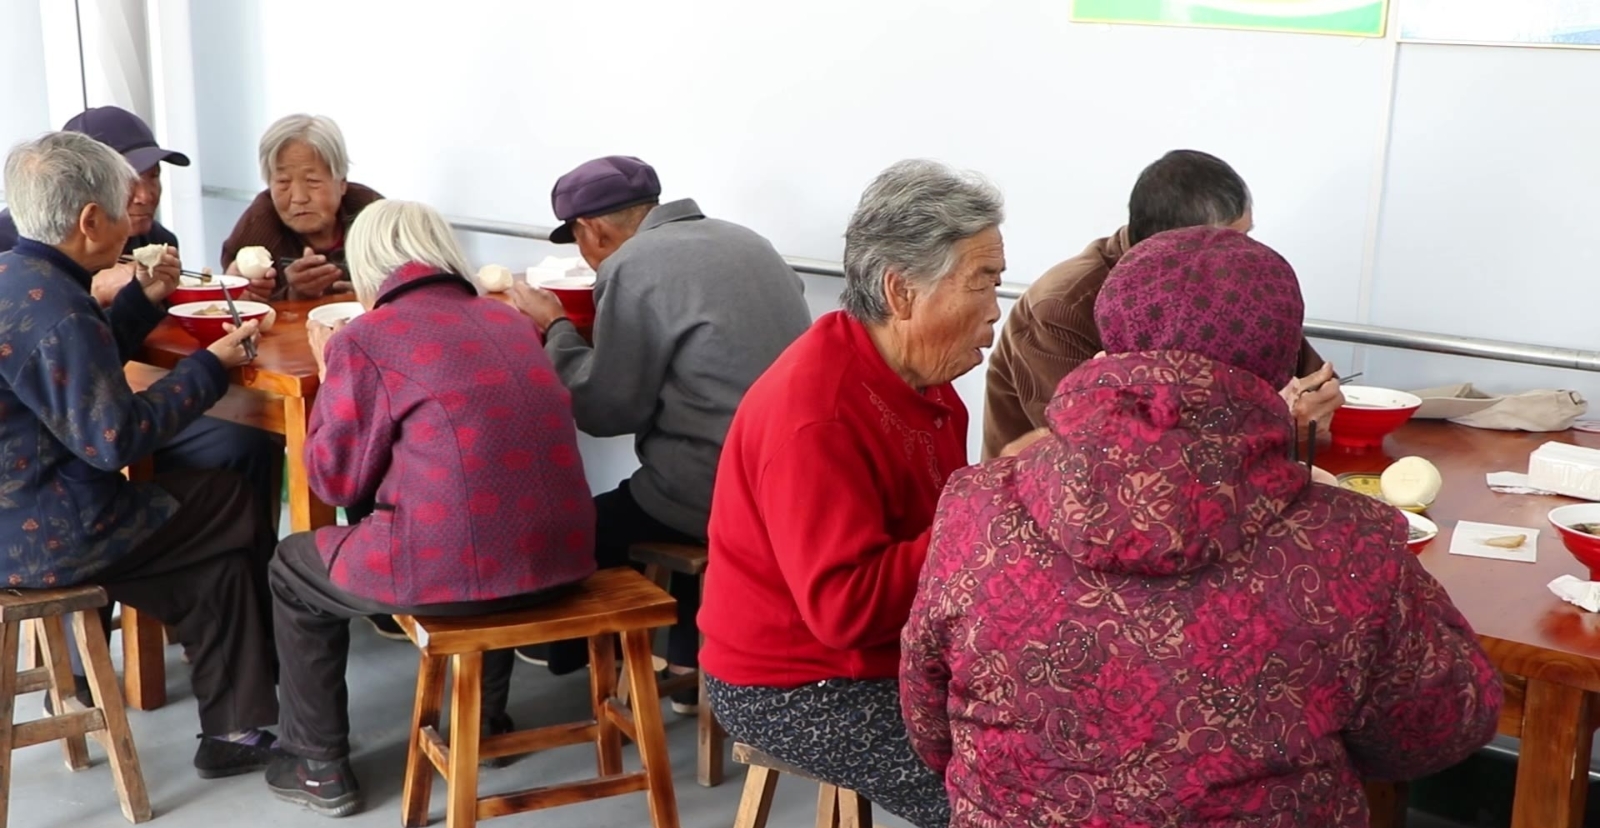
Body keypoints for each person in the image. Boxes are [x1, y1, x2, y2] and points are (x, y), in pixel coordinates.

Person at [902, 227, 1503, 827]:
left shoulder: (976, 504)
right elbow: (1438, 726)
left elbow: (930, 726)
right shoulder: (1347, 542)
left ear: (1110, 341)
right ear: (1281, 365)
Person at [697, 159, 1005, 828]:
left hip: (894, 654)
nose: (994, 310)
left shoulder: (926, 385)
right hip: (797, 685)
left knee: (1079, 724)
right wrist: (990, 512)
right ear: (901, 291)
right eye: (982, 283)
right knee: (1006, 798)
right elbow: (847, 609)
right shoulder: (818, 415)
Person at [264, 200, 598, 818]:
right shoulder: (507, 320)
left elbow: (335, 482)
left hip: (458, 575)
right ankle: (485, 724)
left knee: (291, 567)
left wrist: (331, 369)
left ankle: (317, 763)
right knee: (492, 518)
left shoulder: (365, 337)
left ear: (367, 266)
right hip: (565, 559)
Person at [0, 131, 279, 779]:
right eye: (123, 207)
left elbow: (72, 379)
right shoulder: (61, 310)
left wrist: (139, 301)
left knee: (215, 550)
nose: (135, 220)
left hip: (18, 517)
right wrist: (210, 366)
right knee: (230, 497)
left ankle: (235, 730)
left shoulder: (19, 278)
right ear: (90, 221)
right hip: (51, 535)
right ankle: (270, 678)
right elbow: (112, 439)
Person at [507, 155, 810, 709]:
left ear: (592, 229)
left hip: (715, 493)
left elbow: (605, 411)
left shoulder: (634, 264)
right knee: (687, 464)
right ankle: (690, 658)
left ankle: (576, 664)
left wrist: (556, 327)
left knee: (584, 527)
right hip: (795, 483)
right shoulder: (749, 241)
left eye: (579, 241)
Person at [982, 149, 1344, 460]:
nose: (1247, 256)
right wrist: (1277, 424)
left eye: (1248, 237)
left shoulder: (1236, 285)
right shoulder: (1062, 307)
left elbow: (1312, 378)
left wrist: (1318, 402)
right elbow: (1093, 446)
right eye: (1233, 242)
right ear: (1173, 246)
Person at [220, 113, 383, 301]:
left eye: (312, 181)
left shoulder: (372, 214)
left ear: (342, 183)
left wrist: (373, 294)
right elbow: (232, 301)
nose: (299, 198)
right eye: (283, 182)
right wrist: (240, 292)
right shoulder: (258, 226)